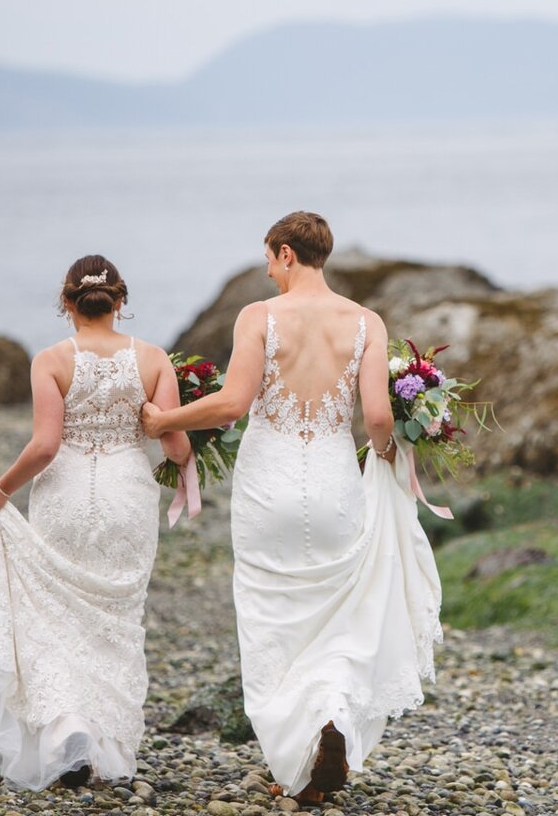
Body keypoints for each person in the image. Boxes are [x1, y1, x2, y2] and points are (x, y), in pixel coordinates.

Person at [141, 211, 441, 804]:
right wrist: (384, 457)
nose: (268, 271)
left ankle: (294, 761)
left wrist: (163, 420)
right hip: (333, 483)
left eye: (269, 259)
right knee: (338, 611)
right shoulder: (366, 322)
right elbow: (379, 419)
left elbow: (231, 405)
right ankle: (331, 714)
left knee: (270, 615)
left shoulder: (259, 317)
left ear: (284, 253)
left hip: (269, 485)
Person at [0, 256, 190, 791]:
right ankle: (99, 735)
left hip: (65, 494)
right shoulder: (155, 359)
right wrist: (189, 443)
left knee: (54, 612)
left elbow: (45, 446)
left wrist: (0, 489)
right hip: (127, 496)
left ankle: (66, 729)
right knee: (114, 617)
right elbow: (175, 445)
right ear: (121, 302)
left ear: (66, 303)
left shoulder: (50, 360)